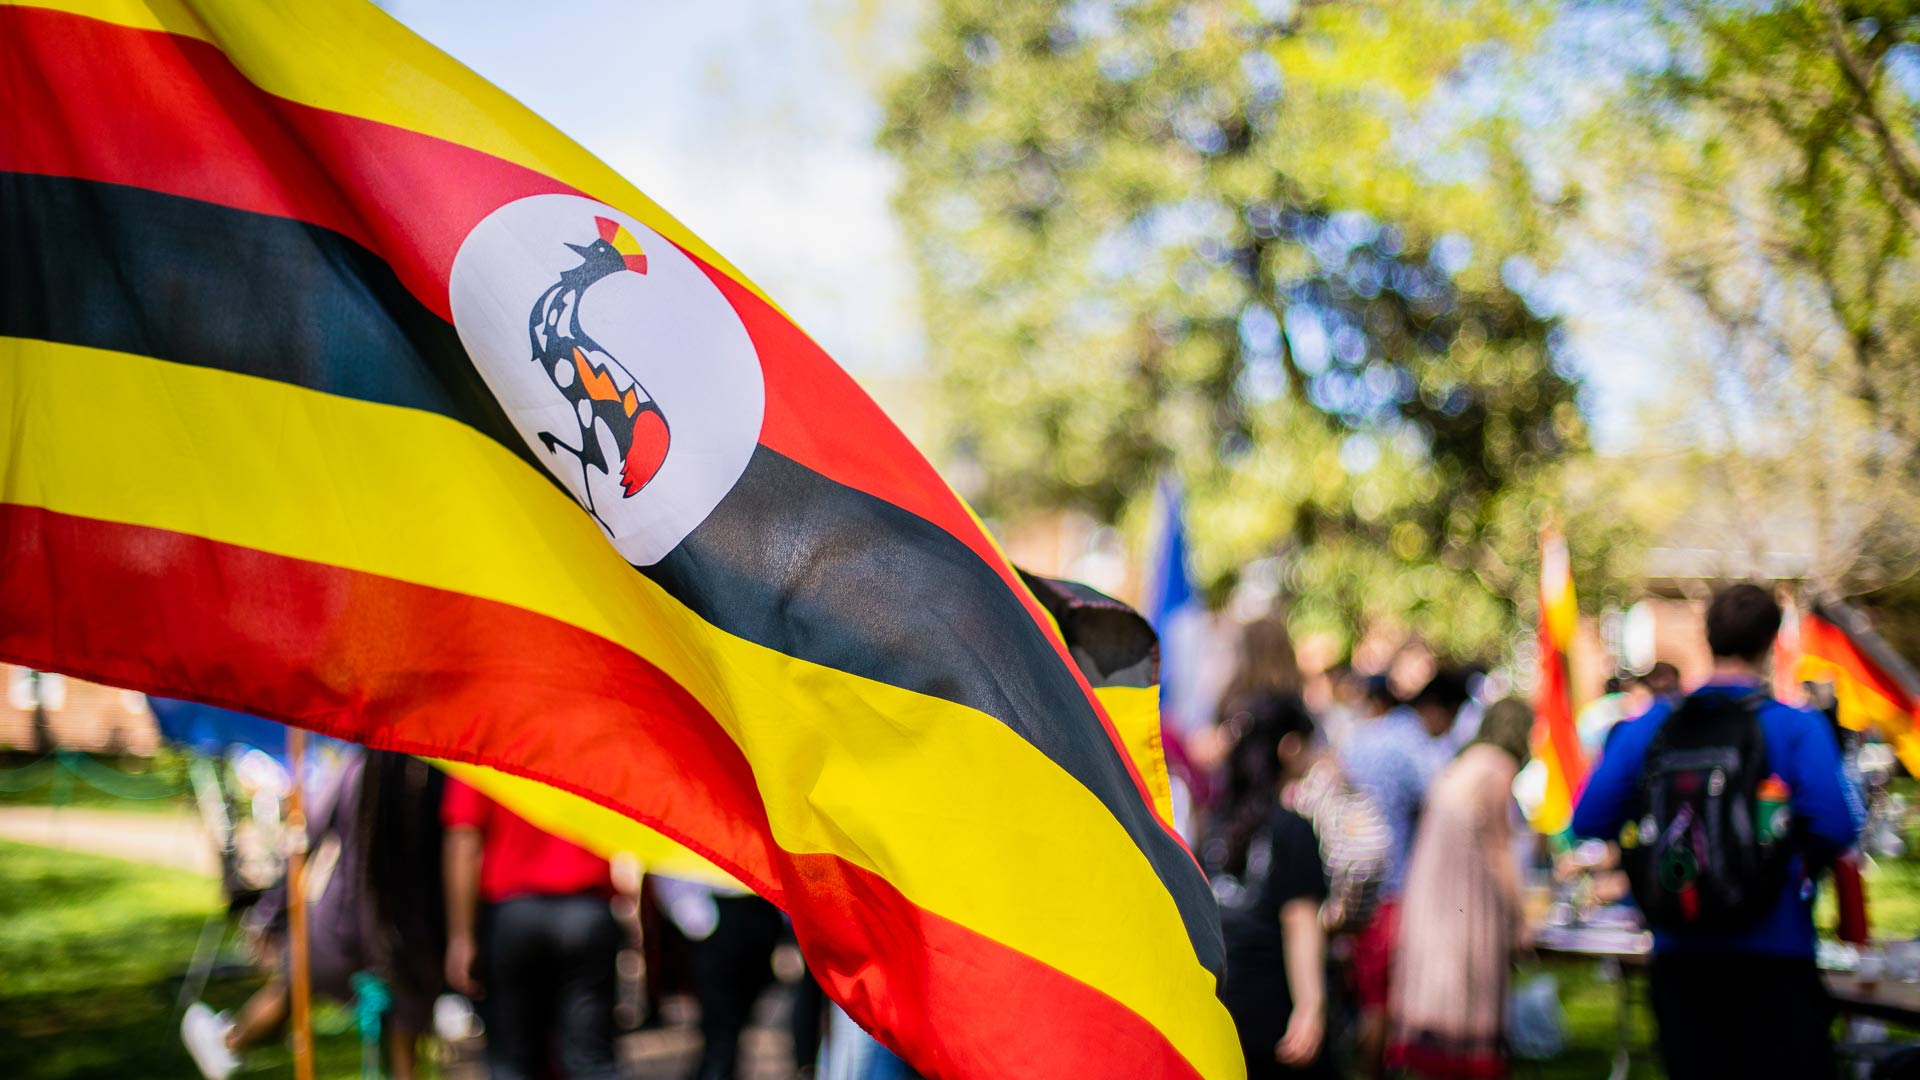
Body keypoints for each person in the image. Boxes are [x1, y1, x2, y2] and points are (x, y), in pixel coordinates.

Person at [1572, 584, 1864, 1079]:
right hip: (1775, 949)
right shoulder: (1794, 727)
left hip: (1679, 949)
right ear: (1771, 641)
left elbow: (1589, 818)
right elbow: (1838, 827)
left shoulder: (1654, 725)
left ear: (1707, 637)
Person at [183, 750, 446, 1080]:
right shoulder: (438, 773)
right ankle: (230, 1041)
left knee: (291, 988)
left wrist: (270, 914)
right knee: (405, 1050)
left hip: (344, 929)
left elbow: (304, 841)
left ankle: (232, 1040)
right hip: (413, 937)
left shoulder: (356, 767)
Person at [1388, 699, 1534, 1079]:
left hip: (1434, 891)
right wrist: (1519, 915)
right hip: (1467, 892)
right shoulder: (1497, 767)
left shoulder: (1464, 762)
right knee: (1468, 984)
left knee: (1442, 983)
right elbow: (1501, 850)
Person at [443, 776, 622, 1080]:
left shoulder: (483, 742)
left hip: (514, 914)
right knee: (590, 1059)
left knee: (515, 1062)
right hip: (586, 911)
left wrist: (461, 937)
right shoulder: (592, 735)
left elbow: (464, 838)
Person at [1337, 669, 1462, 1073]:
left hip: (1352, 889)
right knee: (1383, 1003)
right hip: (1393, 889)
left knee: (1366, 998)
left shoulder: (1358, 737)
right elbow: (1442, 804)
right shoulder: (1411, 742)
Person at [1204, 694, 1333, 1079]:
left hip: (1220, 1007)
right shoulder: (1292, 829)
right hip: (1272, 1008)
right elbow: (1300, 925)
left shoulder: (1215, 823)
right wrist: (1311, 1007)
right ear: (1289, 747)